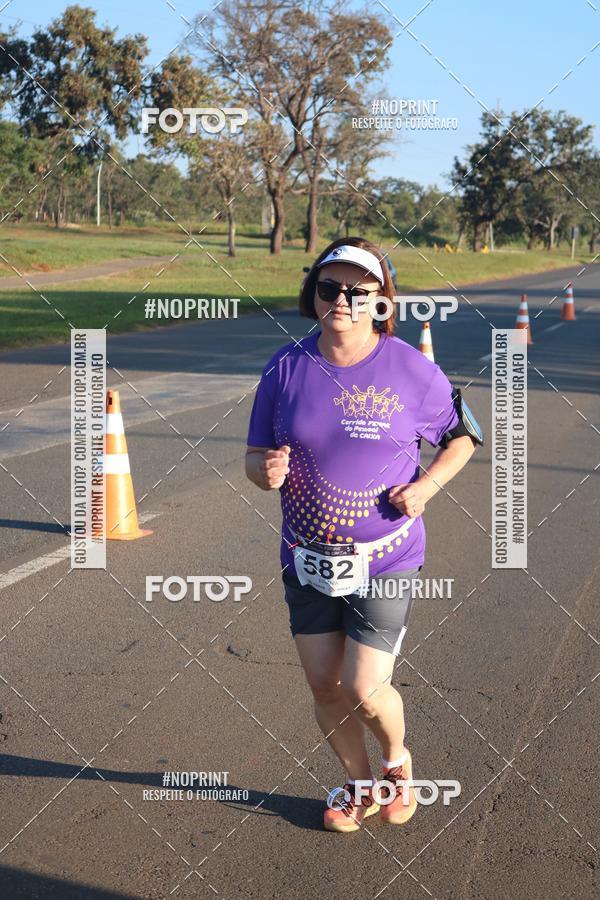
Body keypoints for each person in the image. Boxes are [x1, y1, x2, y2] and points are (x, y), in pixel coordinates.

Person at [245, 237, 482, 832]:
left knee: (364, 685)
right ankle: (357, 783)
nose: (343, 300)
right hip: (305, 555)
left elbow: (463, 436)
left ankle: (397, 764)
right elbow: (253, 457)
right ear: (314, 293)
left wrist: (426, 488)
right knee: (324, 683)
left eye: (359, 291)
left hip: (386, 555)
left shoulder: (410, 368)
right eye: (331, 288)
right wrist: (264, 470)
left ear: (382, 301)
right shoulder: (285, 365)